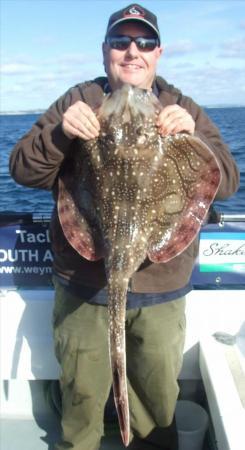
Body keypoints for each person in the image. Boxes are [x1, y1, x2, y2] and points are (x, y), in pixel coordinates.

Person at [9, 4, 239, 450]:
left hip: (161, 290)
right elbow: (22, 168)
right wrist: (61, 132)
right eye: (121, 41)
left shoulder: (181, 105)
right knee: (82, 401)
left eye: (144, 42)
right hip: (83, 287)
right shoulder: (79, 100)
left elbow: (225, 182)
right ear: (105, 52)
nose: (132, 51)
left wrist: (192, 134)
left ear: (158, 52)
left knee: (156, 405)